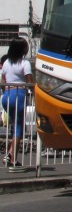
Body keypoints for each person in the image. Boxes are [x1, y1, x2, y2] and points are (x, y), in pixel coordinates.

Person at [1, 38, 32, 171]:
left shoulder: (7, 62)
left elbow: (3, 80)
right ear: (23, 50)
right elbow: (30, 82)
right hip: (18, 95)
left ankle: (10, 154)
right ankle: (12, 158)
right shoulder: (25, 63)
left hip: (6, 95)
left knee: (17, 126)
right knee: (19, 126)